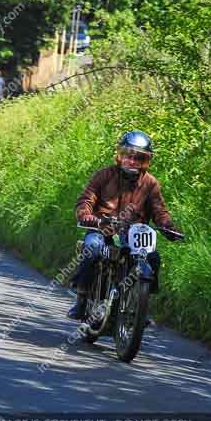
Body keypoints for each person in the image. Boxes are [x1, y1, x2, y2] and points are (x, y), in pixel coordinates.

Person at [67, 129, 182, 320]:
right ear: (119, 156)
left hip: (132, 232)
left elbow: (159, 210)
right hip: (102, 227)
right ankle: (81, 298)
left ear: (146, 161)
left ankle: (141, 305)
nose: (132, 161)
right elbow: (86, 199)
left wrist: (169, 227)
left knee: (153, 257)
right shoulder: (104, 175)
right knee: (93, 248)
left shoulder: (150, 184)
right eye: (128, 156)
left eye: (139, 158)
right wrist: (86, 215)